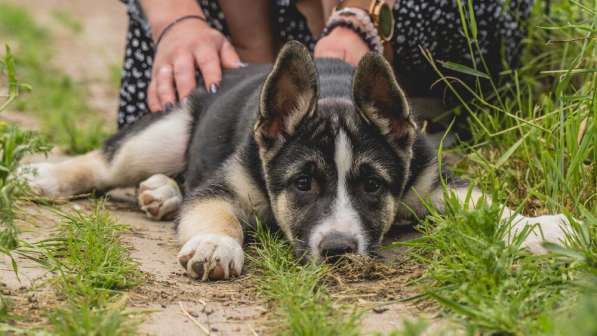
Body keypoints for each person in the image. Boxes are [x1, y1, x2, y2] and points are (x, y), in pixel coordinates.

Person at [117, 0, 534, 128]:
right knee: (164, 123)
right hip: (264, 21)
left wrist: (356, 22)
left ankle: (391, 99)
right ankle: (254, 72)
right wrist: (179, 21)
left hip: (414, 15)